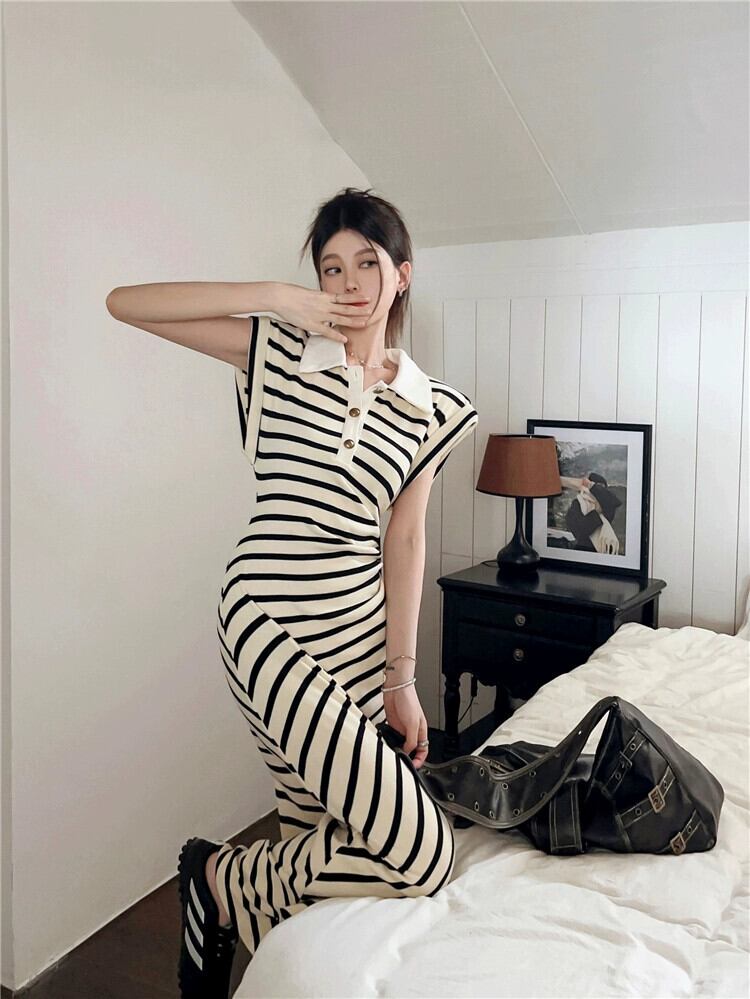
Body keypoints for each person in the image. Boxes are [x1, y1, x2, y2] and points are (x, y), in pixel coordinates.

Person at [107, 187, 479, 997]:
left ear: (403, 274)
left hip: (356, 646)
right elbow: (125, 303)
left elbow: (404, 540)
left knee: (332, 848)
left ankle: (234, 917)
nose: (348, 283)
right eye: (330, 267)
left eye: (367, 263)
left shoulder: (433, 407)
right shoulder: (275, 352)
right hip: (268, 625)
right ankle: (220, 879)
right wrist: (275, 297)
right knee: (422, 851)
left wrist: (401, 677)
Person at [559, 472, 621, 554]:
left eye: (601, 488)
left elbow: (614, 501)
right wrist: (596, 514)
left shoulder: (607, 505)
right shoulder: (578, 503)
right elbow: (579, 532)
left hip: (605, 551)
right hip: (584, 551)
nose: (599, 492)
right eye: (598, 487)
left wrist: (591, 485)